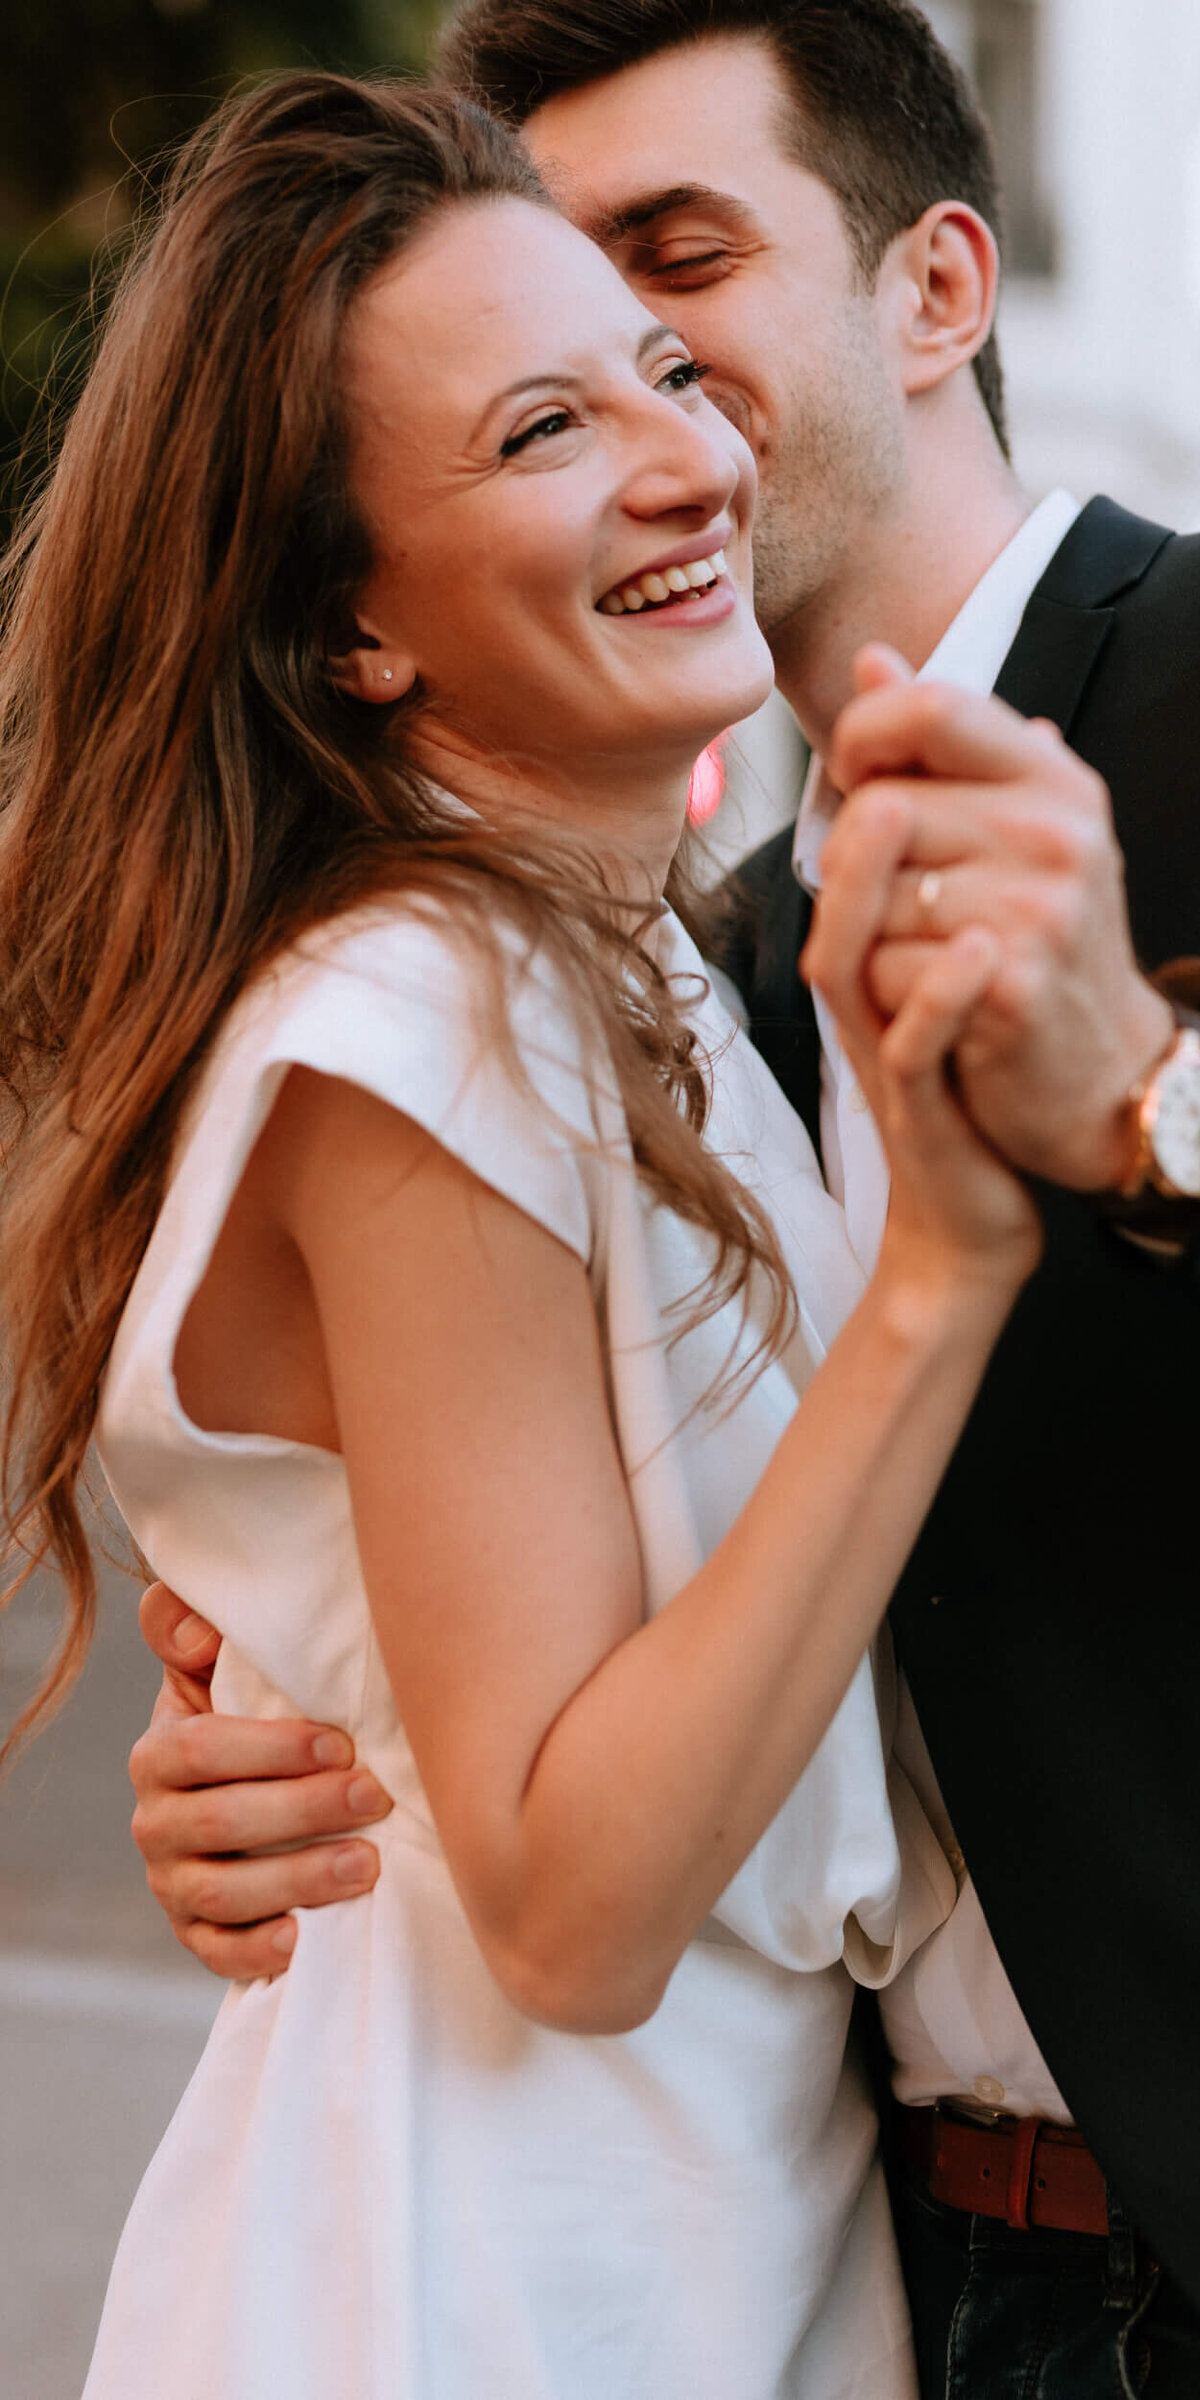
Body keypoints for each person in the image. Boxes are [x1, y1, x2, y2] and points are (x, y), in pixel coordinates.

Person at [128, 5, 1200, 2396]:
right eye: (533, 347)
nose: (641, 392)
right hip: (903, 2281)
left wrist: (1164, 1101)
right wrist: (333, 1711)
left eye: (668, 268)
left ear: (934, 288)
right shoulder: (664, 974)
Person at [0, 68, 1060, 2400]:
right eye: (538, 431)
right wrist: (939, 1280)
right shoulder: (428, 1004)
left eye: (668, 371)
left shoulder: (628, 970)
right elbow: (572, 1907)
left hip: (678, 2229)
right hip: (496, 2277)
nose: (683, 459)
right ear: (353, 629)